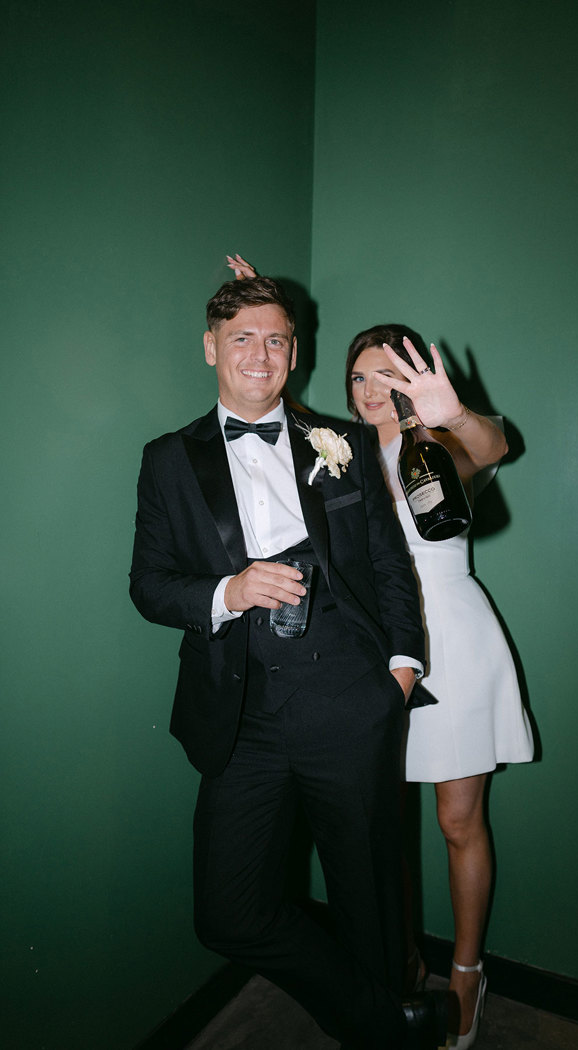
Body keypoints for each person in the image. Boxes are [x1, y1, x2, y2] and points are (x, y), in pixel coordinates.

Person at [129, 276, 447, 1050]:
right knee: (227, 913)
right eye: (242, 337)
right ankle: (384, 1022)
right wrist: (227, 591)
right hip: (239, 714)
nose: (260, 354)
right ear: (210, 349)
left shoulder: (340, 443)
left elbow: (387, 564)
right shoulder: (168, 458)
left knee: (370, 903)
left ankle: (376, 1035)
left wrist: (399, 674)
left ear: (294, 353)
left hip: (349, 697)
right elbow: (148, 585)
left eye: (276, 339)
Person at [345, 325, 534, 1050]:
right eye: (358, 379)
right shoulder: (345, 458)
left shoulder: (438, 448)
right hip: (375, 652)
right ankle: (399, 960)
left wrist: (451, 414)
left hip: (451, 635)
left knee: (458, 823)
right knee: (379, 827)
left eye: (386, 376)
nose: (370, 392)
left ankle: (465, 972)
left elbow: (495, 446)